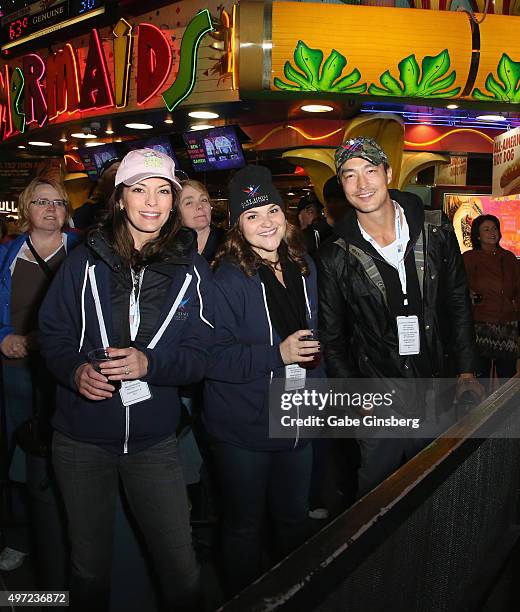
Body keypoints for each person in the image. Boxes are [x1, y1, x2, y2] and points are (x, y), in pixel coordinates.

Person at [39, 149, 213, 612]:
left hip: (154, 443)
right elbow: (52, 335)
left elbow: (202, 355)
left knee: (181, 568)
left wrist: (150, 365)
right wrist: (74, 370)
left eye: (163, 191)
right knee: (89, 568)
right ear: (120, 199)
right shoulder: (82, 262)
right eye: (140, 190)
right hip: (81, 441)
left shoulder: (190, 268)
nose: (152, 202)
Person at [318, 136, 480, 499]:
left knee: (436, 492)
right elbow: (331, 336)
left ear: (388, 173)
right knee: (377, 501)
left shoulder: (435, 232)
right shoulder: (334, 255)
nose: (361, 185)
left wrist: (467, 369)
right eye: (349, 175)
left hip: (436, 384)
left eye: (370, 171)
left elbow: (457, 304)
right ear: (341, 185)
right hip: (377, 396)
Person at [204, 165, 323, 596]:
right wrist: (278, 354)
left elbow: (317, 337)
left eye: (272, 210)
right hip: (243, 426)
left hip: (295, 419)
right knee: (244, 527)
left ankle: (291, 595)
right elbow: (212, 360)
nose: (267, 222)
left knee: (294, 519)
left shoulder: (303, 264)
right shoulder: (227, 278)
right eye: (252, 216)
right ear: (237, 225)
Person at [0, 177, 80, 573]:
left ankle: (62, 533)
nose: (51, 209)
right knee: (13, 452)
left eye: (59, 202)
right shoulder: (6, 254)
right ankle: (16, 536)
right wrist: (2, 339)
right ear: (25, 208)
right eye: (42, 202)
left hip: (63, 373)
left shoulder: (82, 250)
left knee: (58, 455)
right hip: (14, 369)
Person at [463, 214, 519, 383]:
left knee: (507, 378)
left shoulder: (509, 257)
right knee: (481, 378)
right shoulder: (468, 257)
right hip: (480, 324)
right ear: (477, 236)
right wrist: (468, 293)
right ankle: (481, 410)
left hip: (508, 325)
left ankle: (506, 410)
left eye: (494, 228)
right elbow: (457, 286)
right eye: (486, 229)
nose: (492, 232)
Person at [176, 180, 226, 263]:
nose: (200, 206)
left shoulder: (230, 242)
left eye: (204, 200)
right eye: (189, 203)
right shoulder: (169, 249)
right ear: (177, 213)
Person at [72, 157, 121, 230]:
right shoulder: (85, 214)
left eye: (124, 171)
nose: (121, 176)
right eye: (115, 172)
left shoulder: (135, 210)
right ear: (101, 182)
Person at [297, 193, 333, 258]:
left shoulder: (328, 236)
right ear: (300, 217)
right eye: (311, 212)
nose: (316, 215)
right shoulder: (296, 242)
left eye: (319, 211)